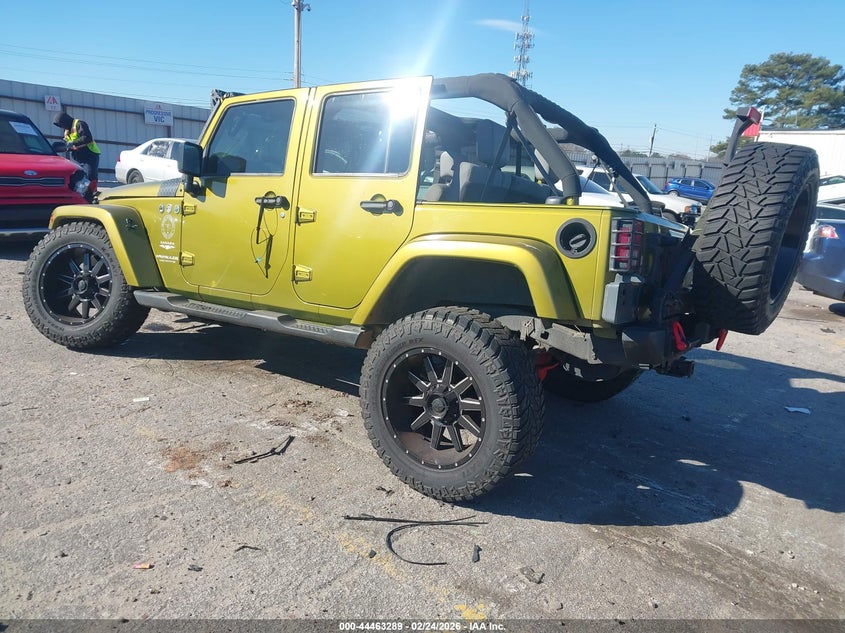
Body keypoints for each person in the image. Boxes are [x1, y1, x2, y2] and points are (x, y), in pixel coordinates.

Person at [53, 112, 100, 200]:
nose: (62, 126)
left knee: (90, 176)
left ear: (65, 121)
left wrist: (73, 143)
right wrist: (65, 147)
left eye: (61, 124)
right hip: (78, 157)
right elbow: (68, 144)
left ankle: (91, 196)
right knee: (79, 178)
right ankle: (82, 195)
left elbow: (87, 138)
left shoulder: (79, 124)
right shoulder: (66, 131)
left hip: (90, 154)